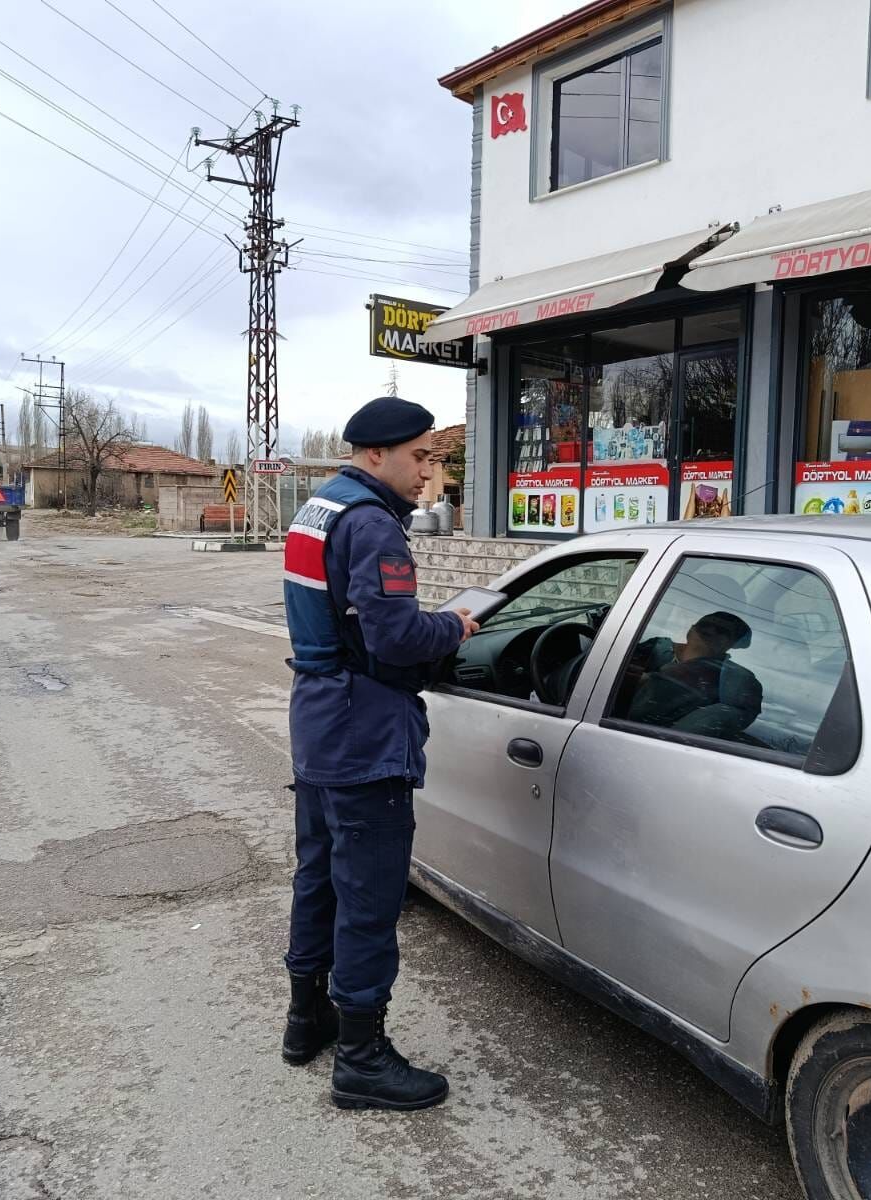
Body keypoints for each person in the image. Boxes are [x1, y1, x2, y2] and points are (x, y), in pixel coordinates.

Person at [280, 395, 480, 1112]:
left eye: (433, 458)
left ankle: (308, 1021)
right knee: (367, 900)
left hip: (319, 721)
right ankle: (362, 1058)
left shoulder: (319, 507)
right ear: (375, 455)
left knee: (321, 878)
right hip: (364, 734)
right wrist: (453, 626)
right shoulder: (373, 528)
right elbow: (396, 639)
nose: (430, 474)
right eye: (421, 457)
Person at [624, 610, 763, 739]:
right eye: (705, 625)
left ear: (731, 643)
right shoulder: (656, 647)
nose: (711, 630)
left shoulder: (736, 682)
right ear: (691, 630)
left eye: (722, 631)